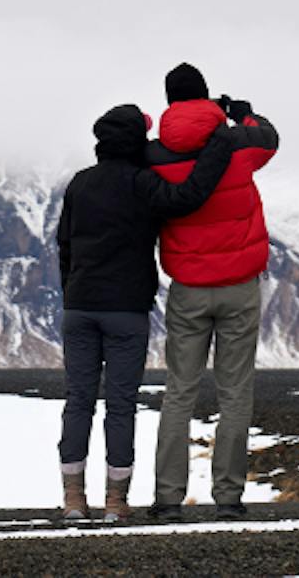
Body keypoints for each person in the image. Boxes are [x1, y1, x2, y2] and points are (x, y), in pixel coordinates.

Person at [55, 103, 235, 523]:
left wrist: (73, 291)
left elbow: (64, 245)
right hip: (126, 311)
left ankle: (73, 500)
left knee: (78, 401)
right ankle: (116, 503)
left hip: (80, 307)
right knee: (120, 405)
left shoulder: (80, 185)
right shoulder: (142, 183)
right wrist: (218, 147)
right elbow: (188, 196)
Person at [147, 62, 280, 522]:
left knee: (179, 391)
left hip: (188, 291)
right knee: (234, 393)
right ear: (206, 97)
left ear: (168, 103)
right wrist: (242, 113)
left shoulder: (156, 156)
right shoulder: (237, 145)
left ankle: (167, 497)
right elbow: (269, 136)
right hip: (240, 288)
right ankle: (228, 497)